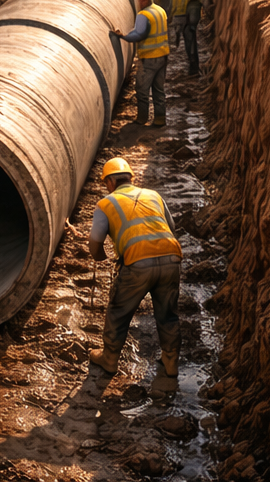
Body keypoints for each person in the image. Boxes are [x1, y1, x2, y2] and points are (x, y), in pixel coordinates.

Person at [87, 158, 183, 396]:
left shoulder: (106, 203)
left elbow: (95, 242)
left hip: (138, 264)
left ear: (110, 181)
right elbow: (170, 226)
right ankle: (170, 363)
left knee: (119, 311)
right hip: (171, 257)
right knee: (167, 314)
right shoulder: (153, 195)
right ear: (131, 177)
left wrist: (100, 257)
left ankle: (109, 359)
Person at [113, 0, 169, 127]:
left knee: (142, 90)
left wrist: (123, 37)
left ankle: (142, 118)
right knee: (158, 89)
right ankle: (160, 119)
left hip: (149, 58)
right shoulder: (160, 10)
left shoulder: (143, 15)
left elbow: (140, 34)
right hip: (163, 56)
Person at [184, 0, 207, 73]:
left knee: (190, 36)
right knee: (192, 35)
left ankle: (193, 66)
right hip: (197, 7)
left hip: (191, 7)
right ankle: (194, 65)